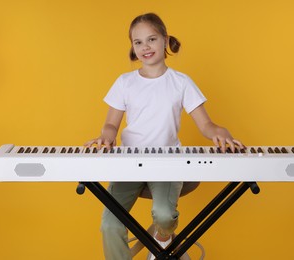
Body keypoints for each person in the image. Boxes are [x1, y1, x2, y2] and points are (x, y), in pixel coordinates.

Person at [84, 12, 245, 260]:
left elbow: (207, 125)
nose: (145, 47)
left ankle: (162, 241)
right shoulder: (124, 82)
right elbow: (110, 125)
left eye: (151, 39)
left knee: (164, 215)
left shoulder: (181, 82)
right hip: (129, 162)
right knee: (110, 225)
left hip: (168, 162)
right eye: (138, 42)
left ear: (165, 40)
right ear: (132, 47)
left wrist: (222, 134)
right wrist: (105, 137)